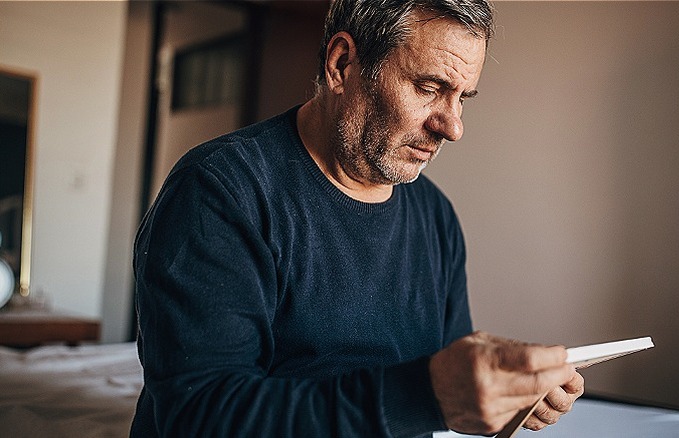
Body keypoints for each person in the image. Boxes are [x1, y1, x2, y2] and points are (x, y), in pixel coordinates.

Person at [130, 1, 584, 437]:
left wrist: (499, 400)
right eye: (429, 89)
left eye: (463, 97)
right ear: (342, 65)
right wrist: (424, 396)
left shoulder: (436, 217)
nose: (453, 126)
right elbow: (201, 417)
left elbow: (443, 387)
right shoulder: (220, 193)